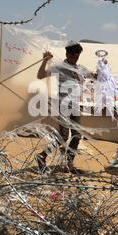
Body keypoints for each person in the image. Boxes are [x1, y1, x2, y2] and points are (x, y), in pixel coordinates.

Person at [35, 41, 98, 174]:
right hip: (63, 104)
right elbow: (40, 75)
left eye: (76, 57)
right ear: (67, 54)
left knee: (77, 135)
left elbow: (94, 77)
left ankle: (68, 164)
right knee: (62, 136)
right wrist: (44, 61)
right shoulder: (59, 67)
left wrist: (103, 69)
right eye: (72, 57)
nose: (74, 59)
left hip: (75, 105)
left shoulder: (80, 68)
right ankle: (42, 156)